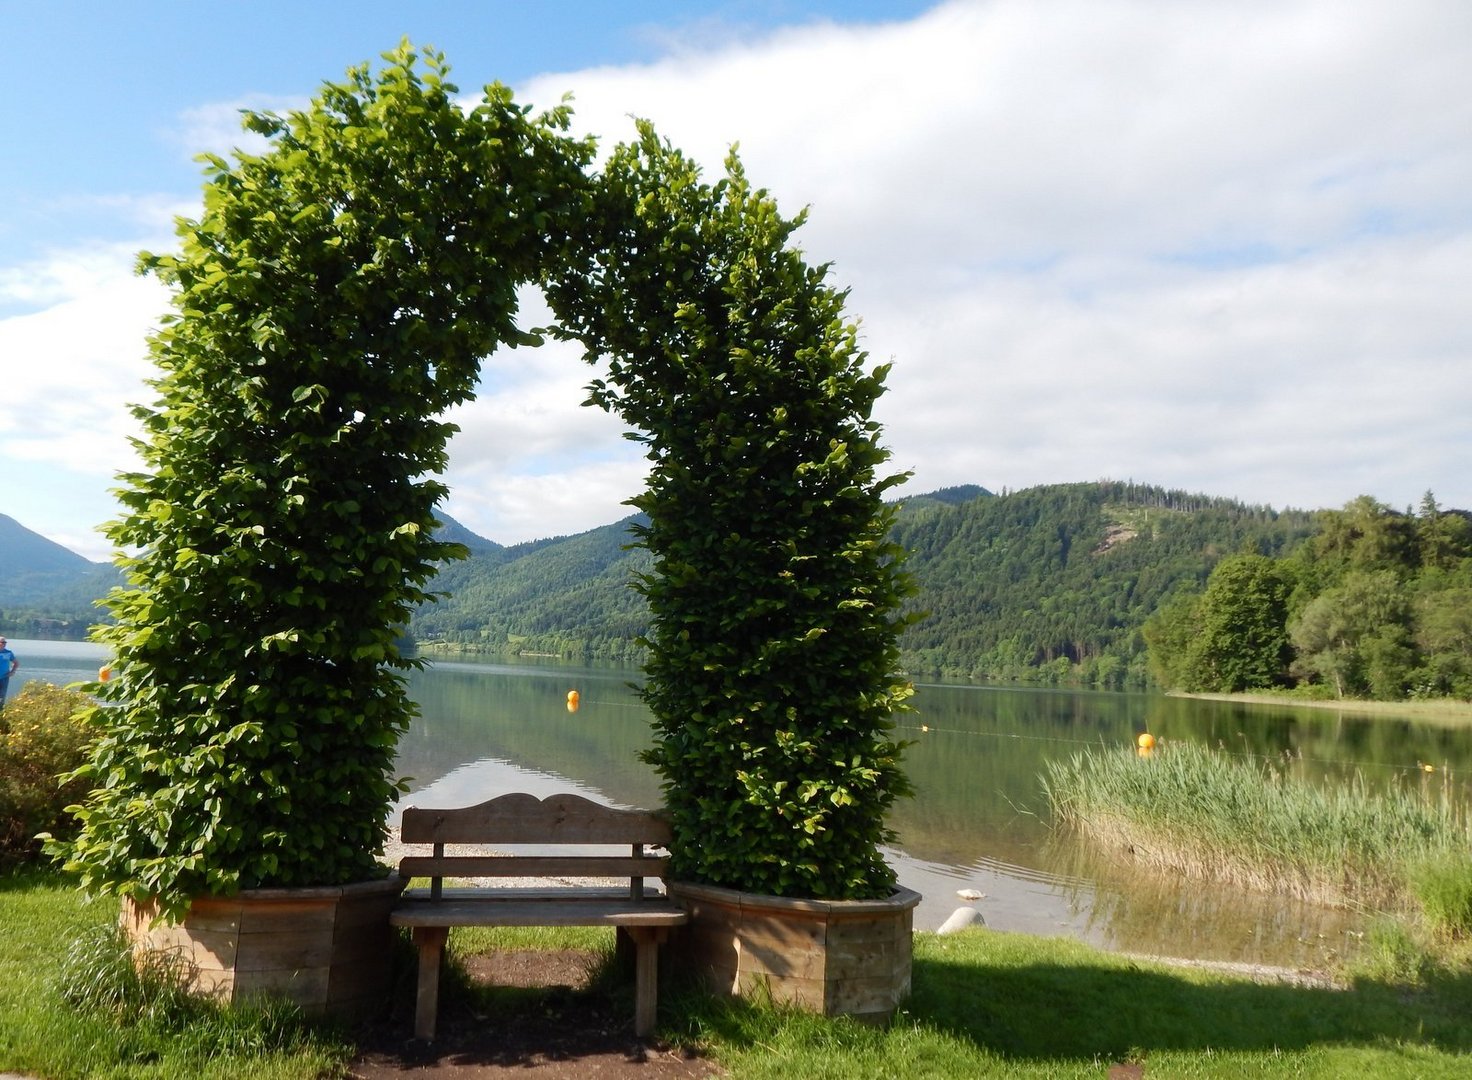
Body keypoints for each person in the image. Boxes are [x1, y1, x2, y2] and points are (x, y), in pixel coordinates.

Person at [0, 637, 15, 710]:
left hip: (4, 677)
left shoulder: (8, 653)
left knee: (2, 695)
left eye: (5, 643)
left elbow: (16, 663)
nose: (4, 644)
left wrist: (12, 671)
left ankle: (1, 710)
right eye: (2, 642)